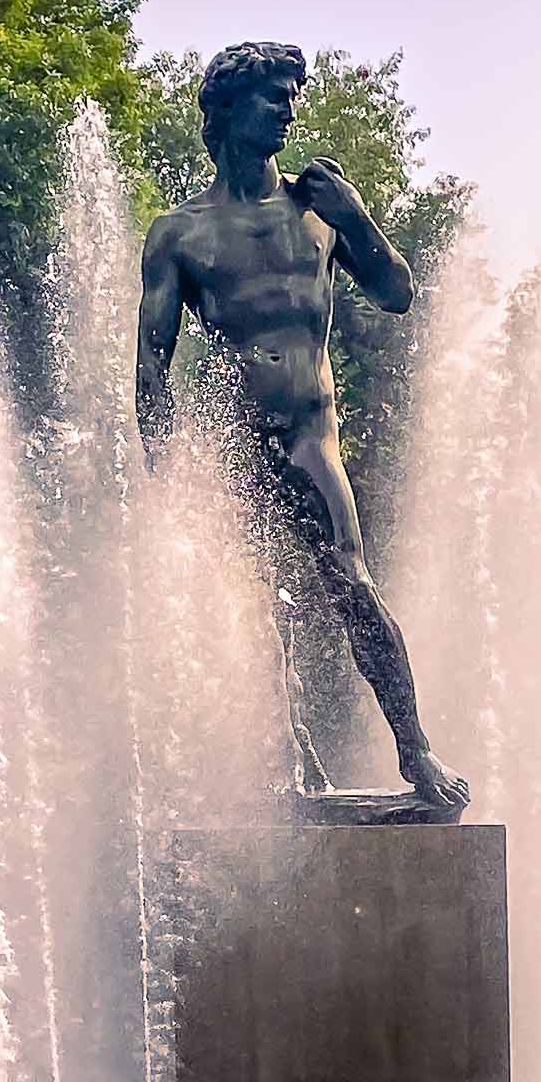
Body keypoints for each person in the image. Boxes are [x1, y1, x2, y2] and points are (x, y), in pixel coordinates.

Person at [135, 40, 469, 813]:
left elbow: (396, 292)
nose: (288, 107)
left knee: (351, 586)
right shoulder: (179, 234)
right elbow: (153, 363)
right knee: (253, 617)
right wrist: (162, 469)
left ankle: (415, 751)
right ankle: (293, 769)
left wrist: (356, 215)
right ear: (224, 111)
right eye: (271, 96)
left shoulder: (317, 211)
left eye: (292, 93)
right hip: (235, 446)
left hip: (309, 438)